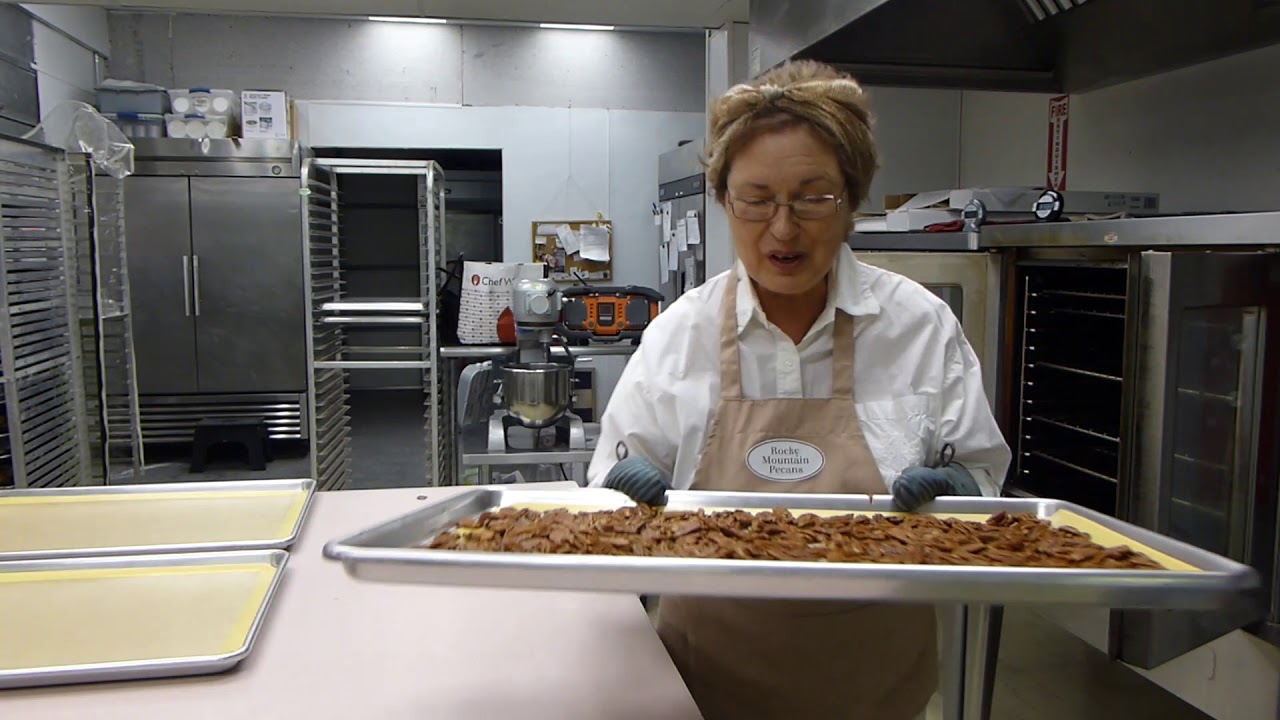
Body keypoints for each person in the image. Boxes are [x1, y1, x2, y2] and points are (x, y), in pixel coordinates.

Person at [585, 60, 1012, 720]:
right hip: (704, 685)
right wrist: (621, 495)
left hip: (876, 687)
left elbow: (982, 473)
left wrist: (968, 496)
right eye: (756, 199)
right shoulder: (681, 335)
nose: (782, 229)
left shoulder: (919, 327)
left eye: (813, 198)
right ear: (724, 199)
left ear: (852, 200)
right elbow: (605, 502)